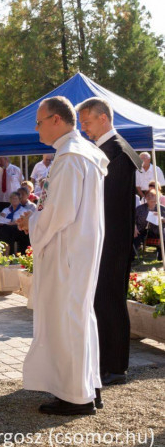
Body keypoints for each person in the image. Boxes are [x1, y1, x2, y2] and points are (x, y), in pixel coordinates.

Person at [17, 96, 108, 415]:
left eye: (39, 122)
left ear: (56, 119)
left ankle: (75, 396)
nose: (37, 128)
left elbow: (61, 211)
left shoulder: (70, 157)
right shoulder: (83, 152)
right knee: (79, 317)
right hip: (78, 248)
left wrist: (32, 221)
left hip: (67, 251)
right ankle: (88, 386)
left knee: (68, 319)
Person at [77, 97, 143, 387]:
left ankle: (114, 366)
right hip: (108, 239)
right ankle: (106, 362)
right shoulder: (111, 148)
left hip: (112, 242)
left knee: (110, 301)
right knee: (104, 301)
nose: (84, 128)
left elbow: (108, 202)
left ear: (103, 118)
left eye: (87, 122)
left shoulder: (116, 151)